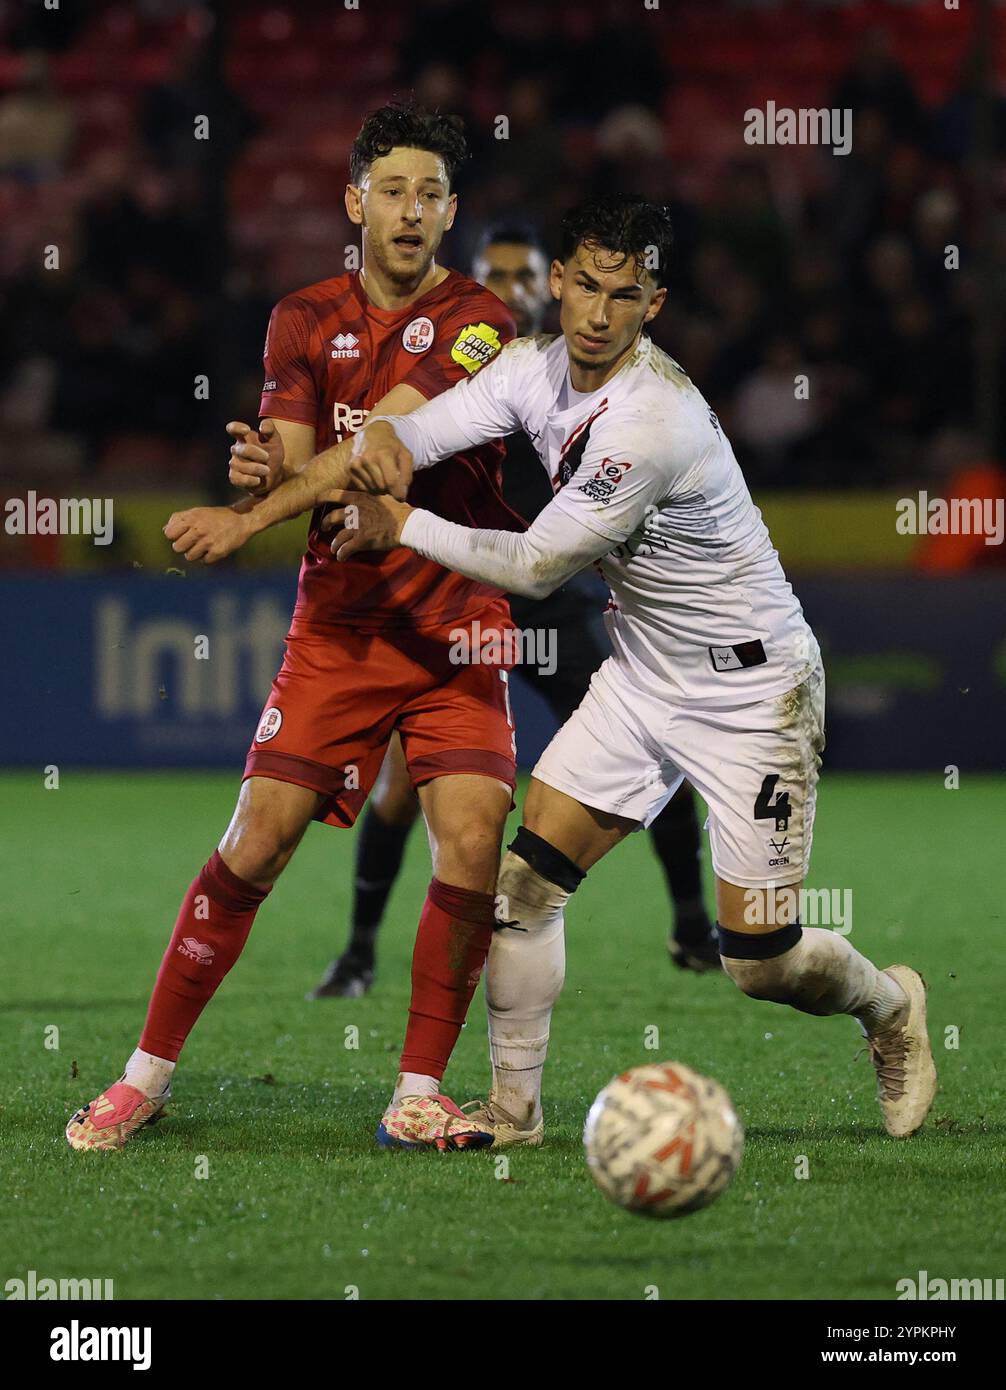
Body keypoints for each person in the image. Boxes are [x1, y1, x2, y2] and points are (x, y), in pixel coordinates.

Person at [321, 193, 938, 1148]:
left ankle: (889, 1006)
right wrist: (302, 475)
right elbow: (412, 435)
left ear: (655, 303)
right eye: (588, 288)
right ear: (557, 283)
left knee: (759, 961)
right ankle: (515, 1113)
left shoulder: (653, 418)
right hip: (644, 678)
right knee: (520, 892)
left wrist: (398, 522)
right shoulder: (527, 371)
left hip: (754, 692)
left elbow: (535, 565)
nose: (601, 314)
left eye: (627, 294)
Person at [66, 102, 523, 1155]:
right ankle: (145, 1077)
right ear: (353, 200)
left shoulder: (481, 319)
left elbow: (382, 447)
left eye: (431, 195)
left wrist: (246, 513)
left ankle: (417, 1089)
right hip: (345, 625)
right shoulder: (301, 317)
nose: (411, 211)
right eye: (393, 190)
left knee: (469, 837)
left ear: (451, 214)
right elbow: (302, 451)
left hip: (457, 618)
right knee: (255, 840)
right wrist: (269, 472)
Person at [311, 221, 717, 1001]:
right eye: (493, 272)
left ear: (549, 283)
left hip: (553, 603)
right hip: (458, 596)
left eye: (523, 274)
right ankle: (359, 954)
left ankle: (692, 927)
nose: (510, 287)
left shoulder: (580, 373)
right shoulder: (450, 371)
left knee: (659, 755)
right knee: (400, 787)